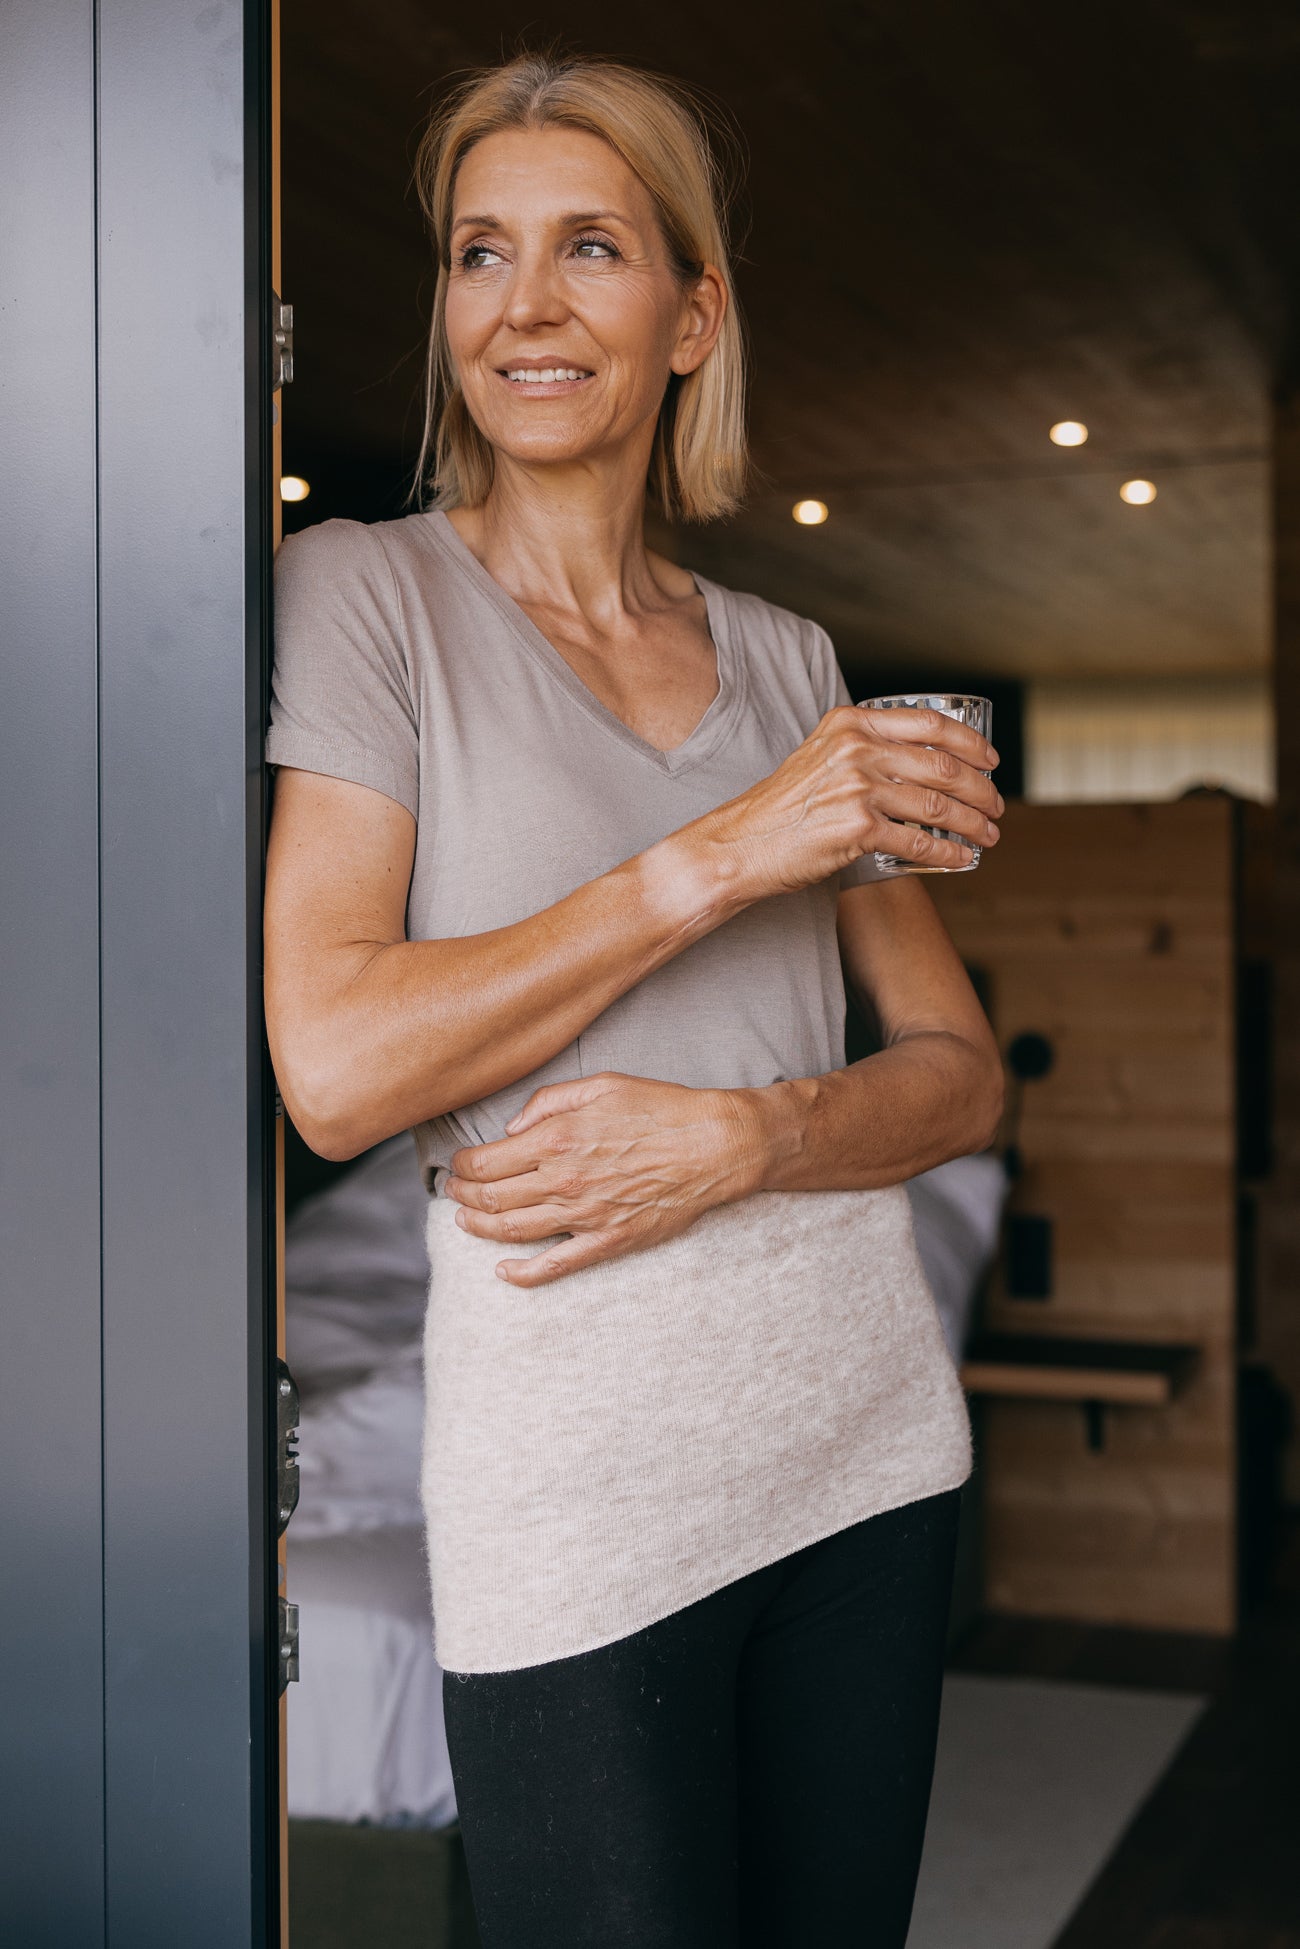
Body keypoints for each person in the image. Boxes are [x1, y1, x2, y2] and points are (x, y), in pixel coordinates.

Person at [263, 51, 1004, 1948]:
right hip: (575, 1472)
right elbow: (334, 1068)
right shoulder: (361, 596)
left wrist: (748, 1137)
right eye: (479, 251)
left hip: (860, 1437)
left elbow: (958, 1078)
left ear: (693, 316)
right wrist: (721, 855)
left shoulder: (794, 658)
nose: (524, 303)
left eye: (590, 247)